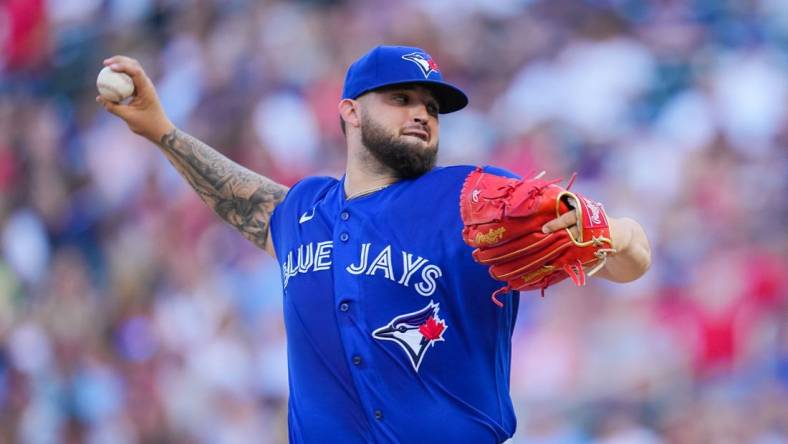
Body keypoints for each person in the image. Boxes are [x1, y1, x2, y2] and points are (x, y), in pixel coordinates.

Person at [98, 45, 651, 444]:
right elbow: (243, 199)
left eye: (432, 107)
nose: (421, 114)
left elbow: (633, 259)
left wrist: (610, 230)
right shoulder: (306, 210)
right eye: (402, 98)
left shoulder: (469, 198)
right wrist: (161, 131)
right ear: (350, 111)